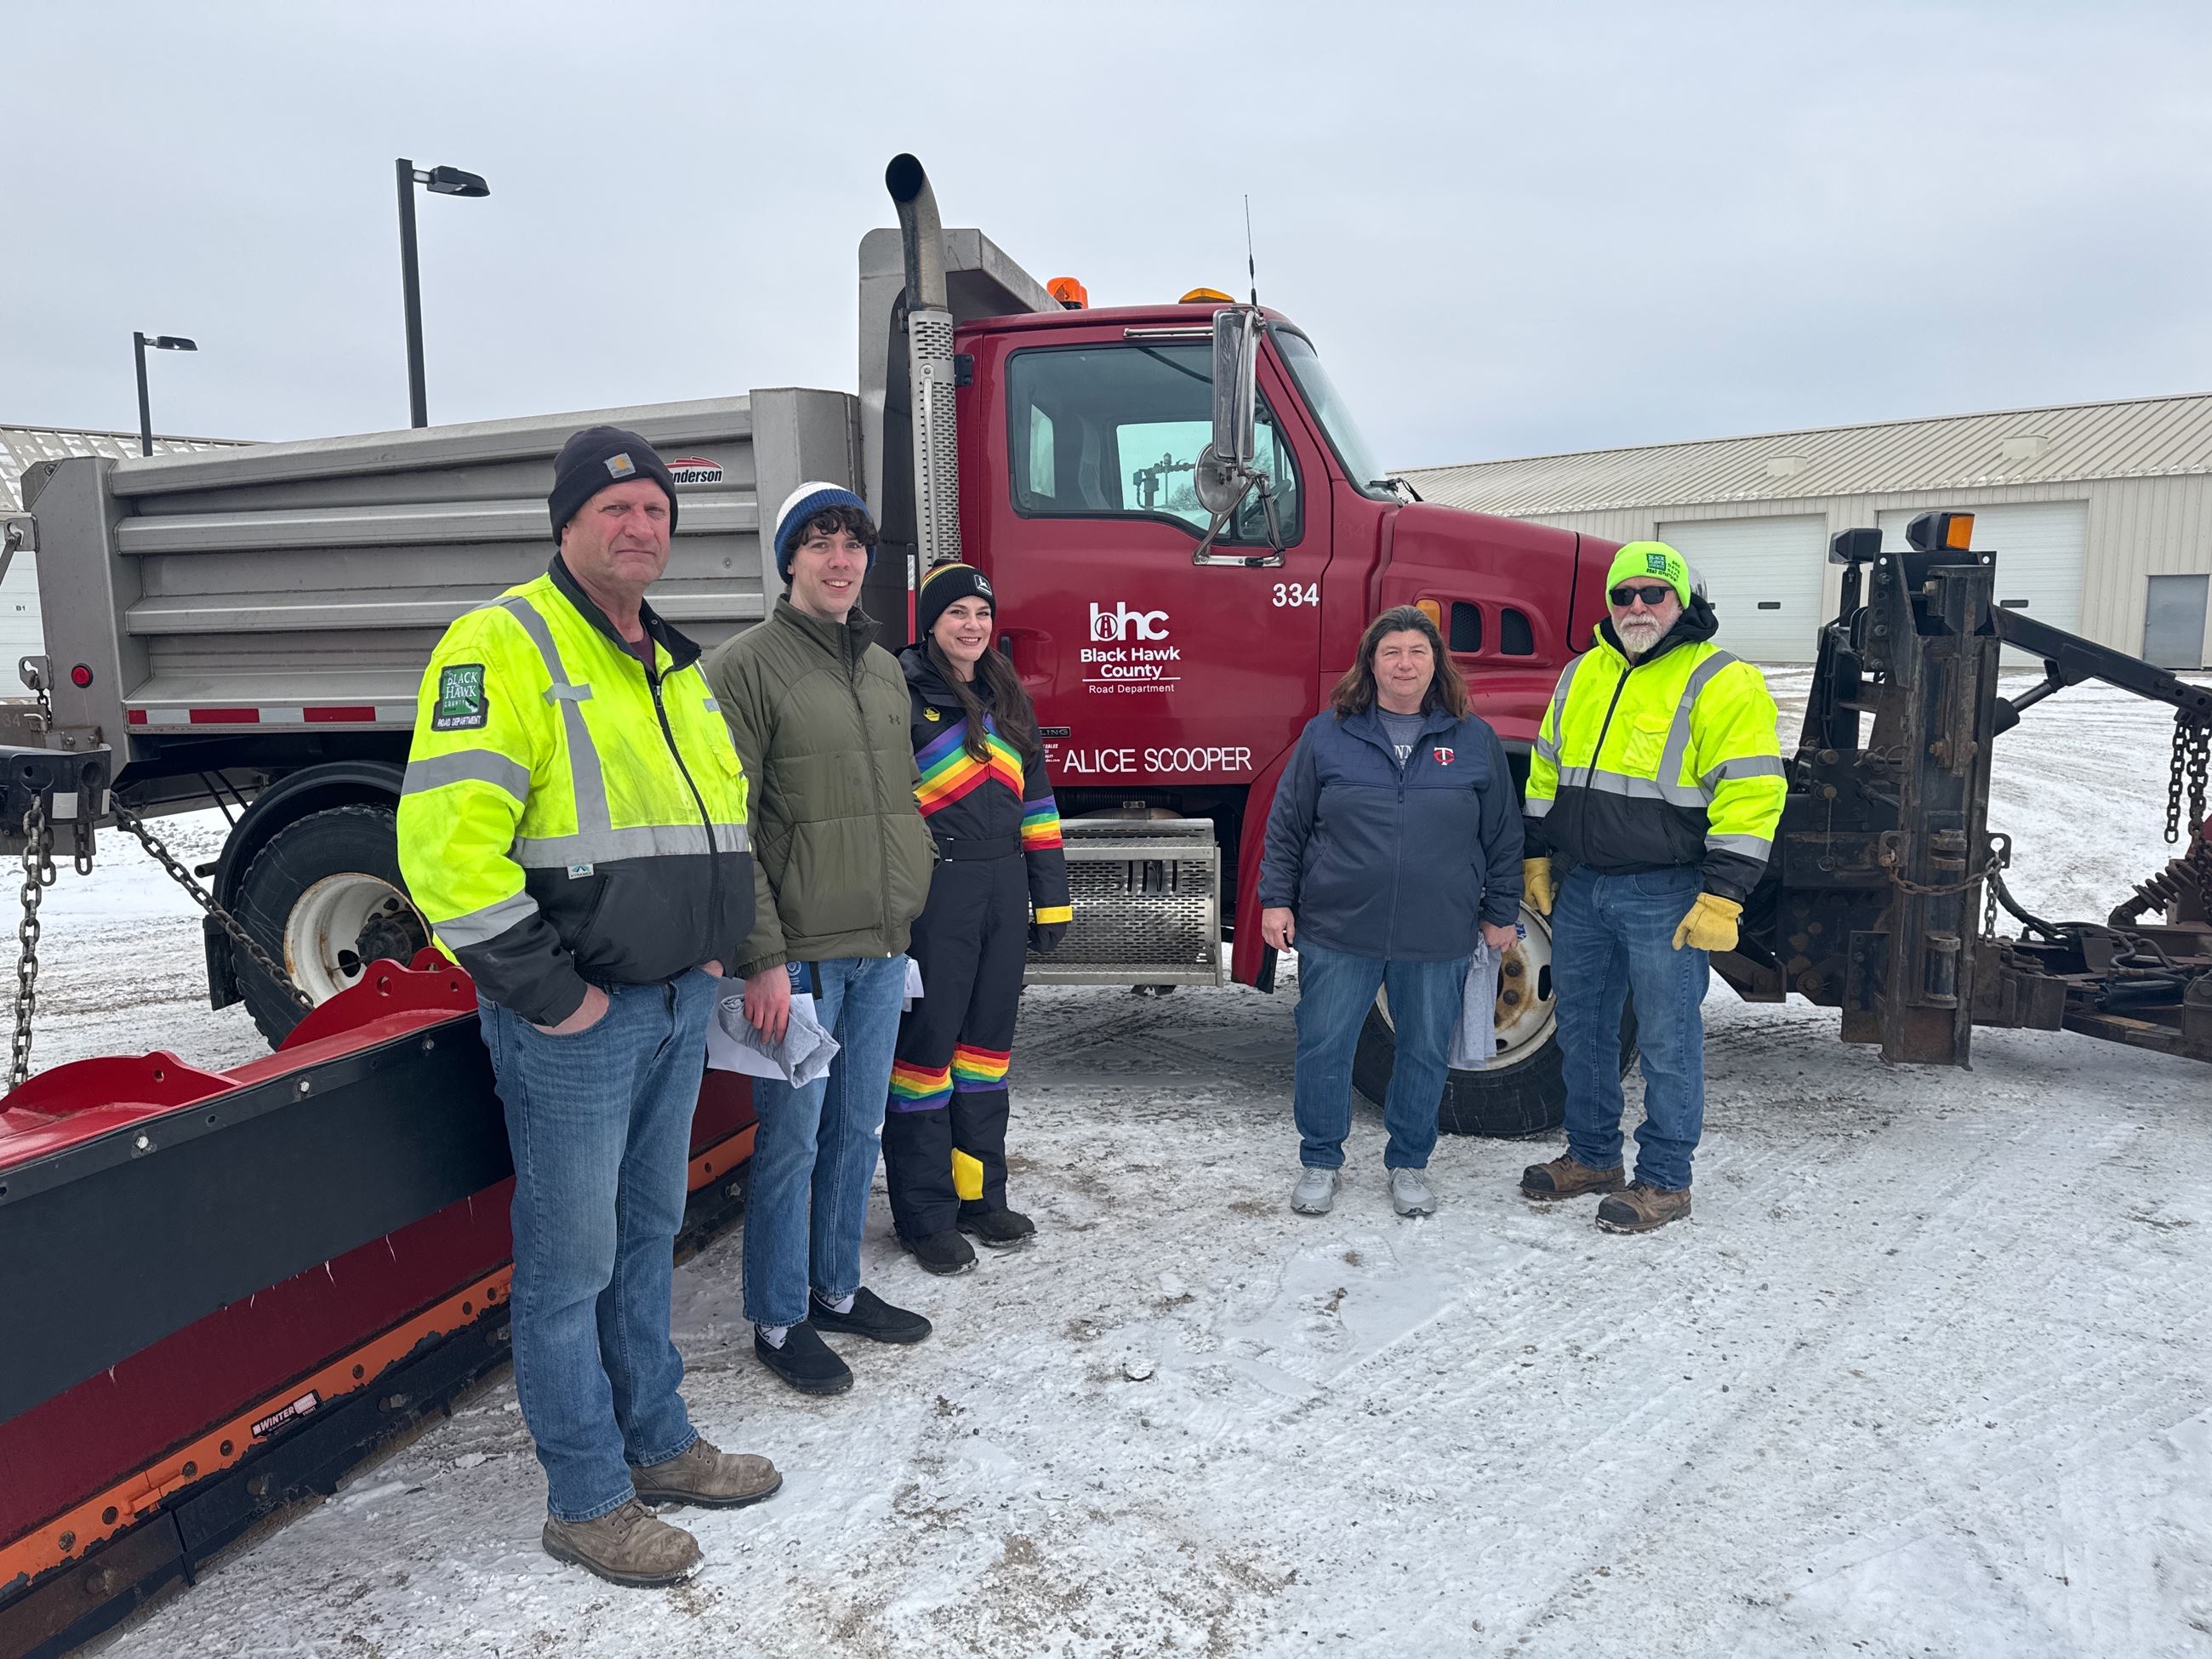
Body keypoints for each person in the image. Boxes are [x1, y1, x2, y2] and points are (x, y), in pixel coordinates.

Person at [398, 426, 778, 1589]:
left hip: (672, 1004)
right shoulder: (503, 643)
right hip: (581, 1025)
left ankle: (657, 1441)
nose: (639, 526)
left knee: (647, 1236)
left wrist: (713, 951)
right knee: (570, 1267)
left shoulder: (671, 662)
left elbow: (712, 828)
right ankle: (586, 1498)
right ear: (565, 523)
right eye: (614, 509)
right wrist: (556, 1000)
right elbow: (447, 856)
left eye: (656, 510)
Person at [704, 482, 938, 1395]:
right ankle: (778, 1315)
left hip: (878, 945)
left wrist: (905, 908)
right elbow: (734, 824)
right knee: (792, 1143)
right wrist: (762, 957)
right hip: (797, 955)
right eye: (819, 543)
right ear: (788, 560)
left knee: (856, 1128)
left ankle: (836, 1288)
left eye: (852, 544)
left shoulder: (881, 669)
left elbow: (895, 802)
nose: (840, 561)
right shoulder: (744, 667)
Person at [1518, 540, 1787, 1233]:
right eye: (1623, 594)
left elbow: (1753, 792)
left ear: (1682, 600)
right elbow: (1546, 767)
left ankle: (1666, 1179)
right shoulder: (1583, 672)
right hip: (1584, 887)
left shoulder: (1721, 679)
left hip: (1666, 893)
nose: (1637, 607)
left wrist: (1724, 894)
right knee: (1583, 1031)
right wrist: (1536, 854)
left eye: (1653, 593)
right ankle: (1592, 1157)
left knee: (1668, 1043)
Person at [1257, 604, 1524, 1218]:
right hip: (1339, 926)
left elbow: (1504, 835)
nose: (1405, 664)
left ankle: (1409, 1162)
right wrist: (1276, 899)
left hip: (1438, 929)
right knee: (1324, 1045)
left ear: (1436, 663)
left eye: (1417, 652)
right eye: (1392, 652)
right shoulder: (1328, 735)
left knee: (1425, 1050)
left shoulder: (1474, 739)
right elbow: (1288, 823)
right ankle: (1320, 1160)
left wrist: (1501, 910)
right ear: (1370, 665)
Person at [883, 563, 1071, 1274]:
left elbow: (1038, 803)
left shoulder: (1005, 691)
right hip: (938, 889)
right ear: (930, 622)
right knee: (925, 1057)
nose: (972, 625)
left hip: (1003, 885)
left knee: (987, 1053)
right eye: (957, 612)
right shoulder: (901, 691)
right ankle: (926, 1215)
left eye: (982, 612)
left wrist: (1050, 897)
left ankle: (980, 1197)